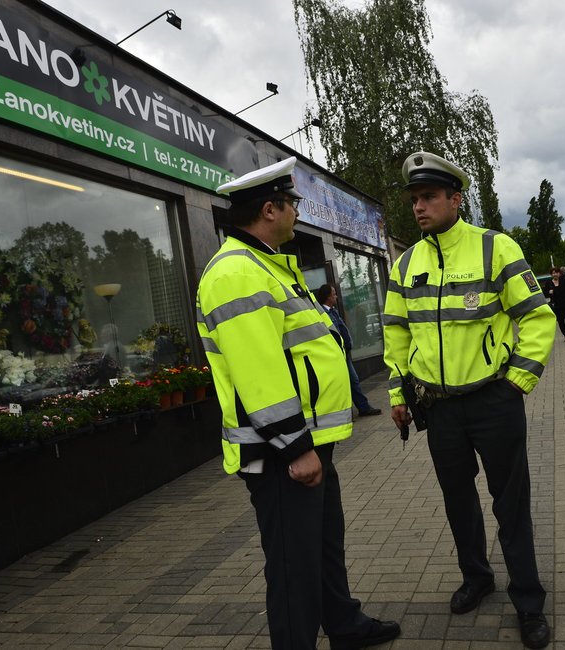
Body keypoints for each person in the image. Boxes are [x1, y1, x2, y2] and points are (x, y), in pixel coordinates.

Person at [196, 157, 400, 650]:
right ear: (270, 209)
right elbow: (258, 374)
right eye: (292, 205)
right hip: (281, 452)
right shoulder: (236, 273)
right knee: (293, 567)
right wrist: (295, 448)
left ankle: (344, 625)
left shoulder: (264, 264)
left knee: (322, 549)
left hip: (305, 443)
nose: (296, 214)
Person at [382, 151, 555, 649]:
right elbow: (395, 333)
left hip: (493, 401)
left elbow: (538, 318)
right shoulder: (405, 263)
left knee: (511, 503)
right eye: (415, 199)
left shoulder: (495, 248)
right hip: (438, 407)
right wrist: (398, 392)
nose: (419, 207)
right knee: (458, 500)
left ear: (456, 199)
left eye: (430, 197)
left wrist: (517, 383)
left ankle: (528, 600)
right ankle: (476, 577)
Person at [313, 283, 382, 417]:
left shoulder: (334, 311)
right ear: (328, 297)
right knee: (347, 382)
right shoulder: (322, 314)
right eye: (334, 294)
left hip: (345, 352)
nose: (336, 296)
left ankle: (362, 408)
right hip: (337, 354)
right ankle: (354, 410)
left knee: (352, 381)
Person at [542, 267, 565, 341]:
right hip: (557, 304)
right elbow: (545, 293)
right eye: (553, 273)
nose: (555, 274)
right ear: (551, 275)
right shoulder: (549, 283)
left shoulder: (564, 281)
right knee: (560, 320)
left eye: (556, 272)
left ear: (559, 273)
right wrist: (549, 292)